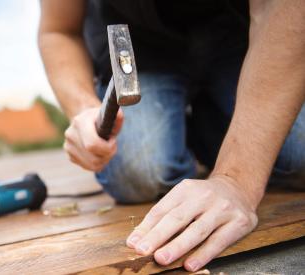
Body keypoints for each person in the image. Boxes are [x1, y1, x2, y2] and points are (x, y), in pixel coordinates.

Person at [38, 0, 305, 272]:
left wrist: (237, 180)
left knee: (301, 151)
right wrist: (83, 108)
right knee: (139, 172)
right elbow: (59, 31)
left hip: (241, 37)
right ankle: (190, 129)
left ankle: (208, 126)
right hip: (144, 51)